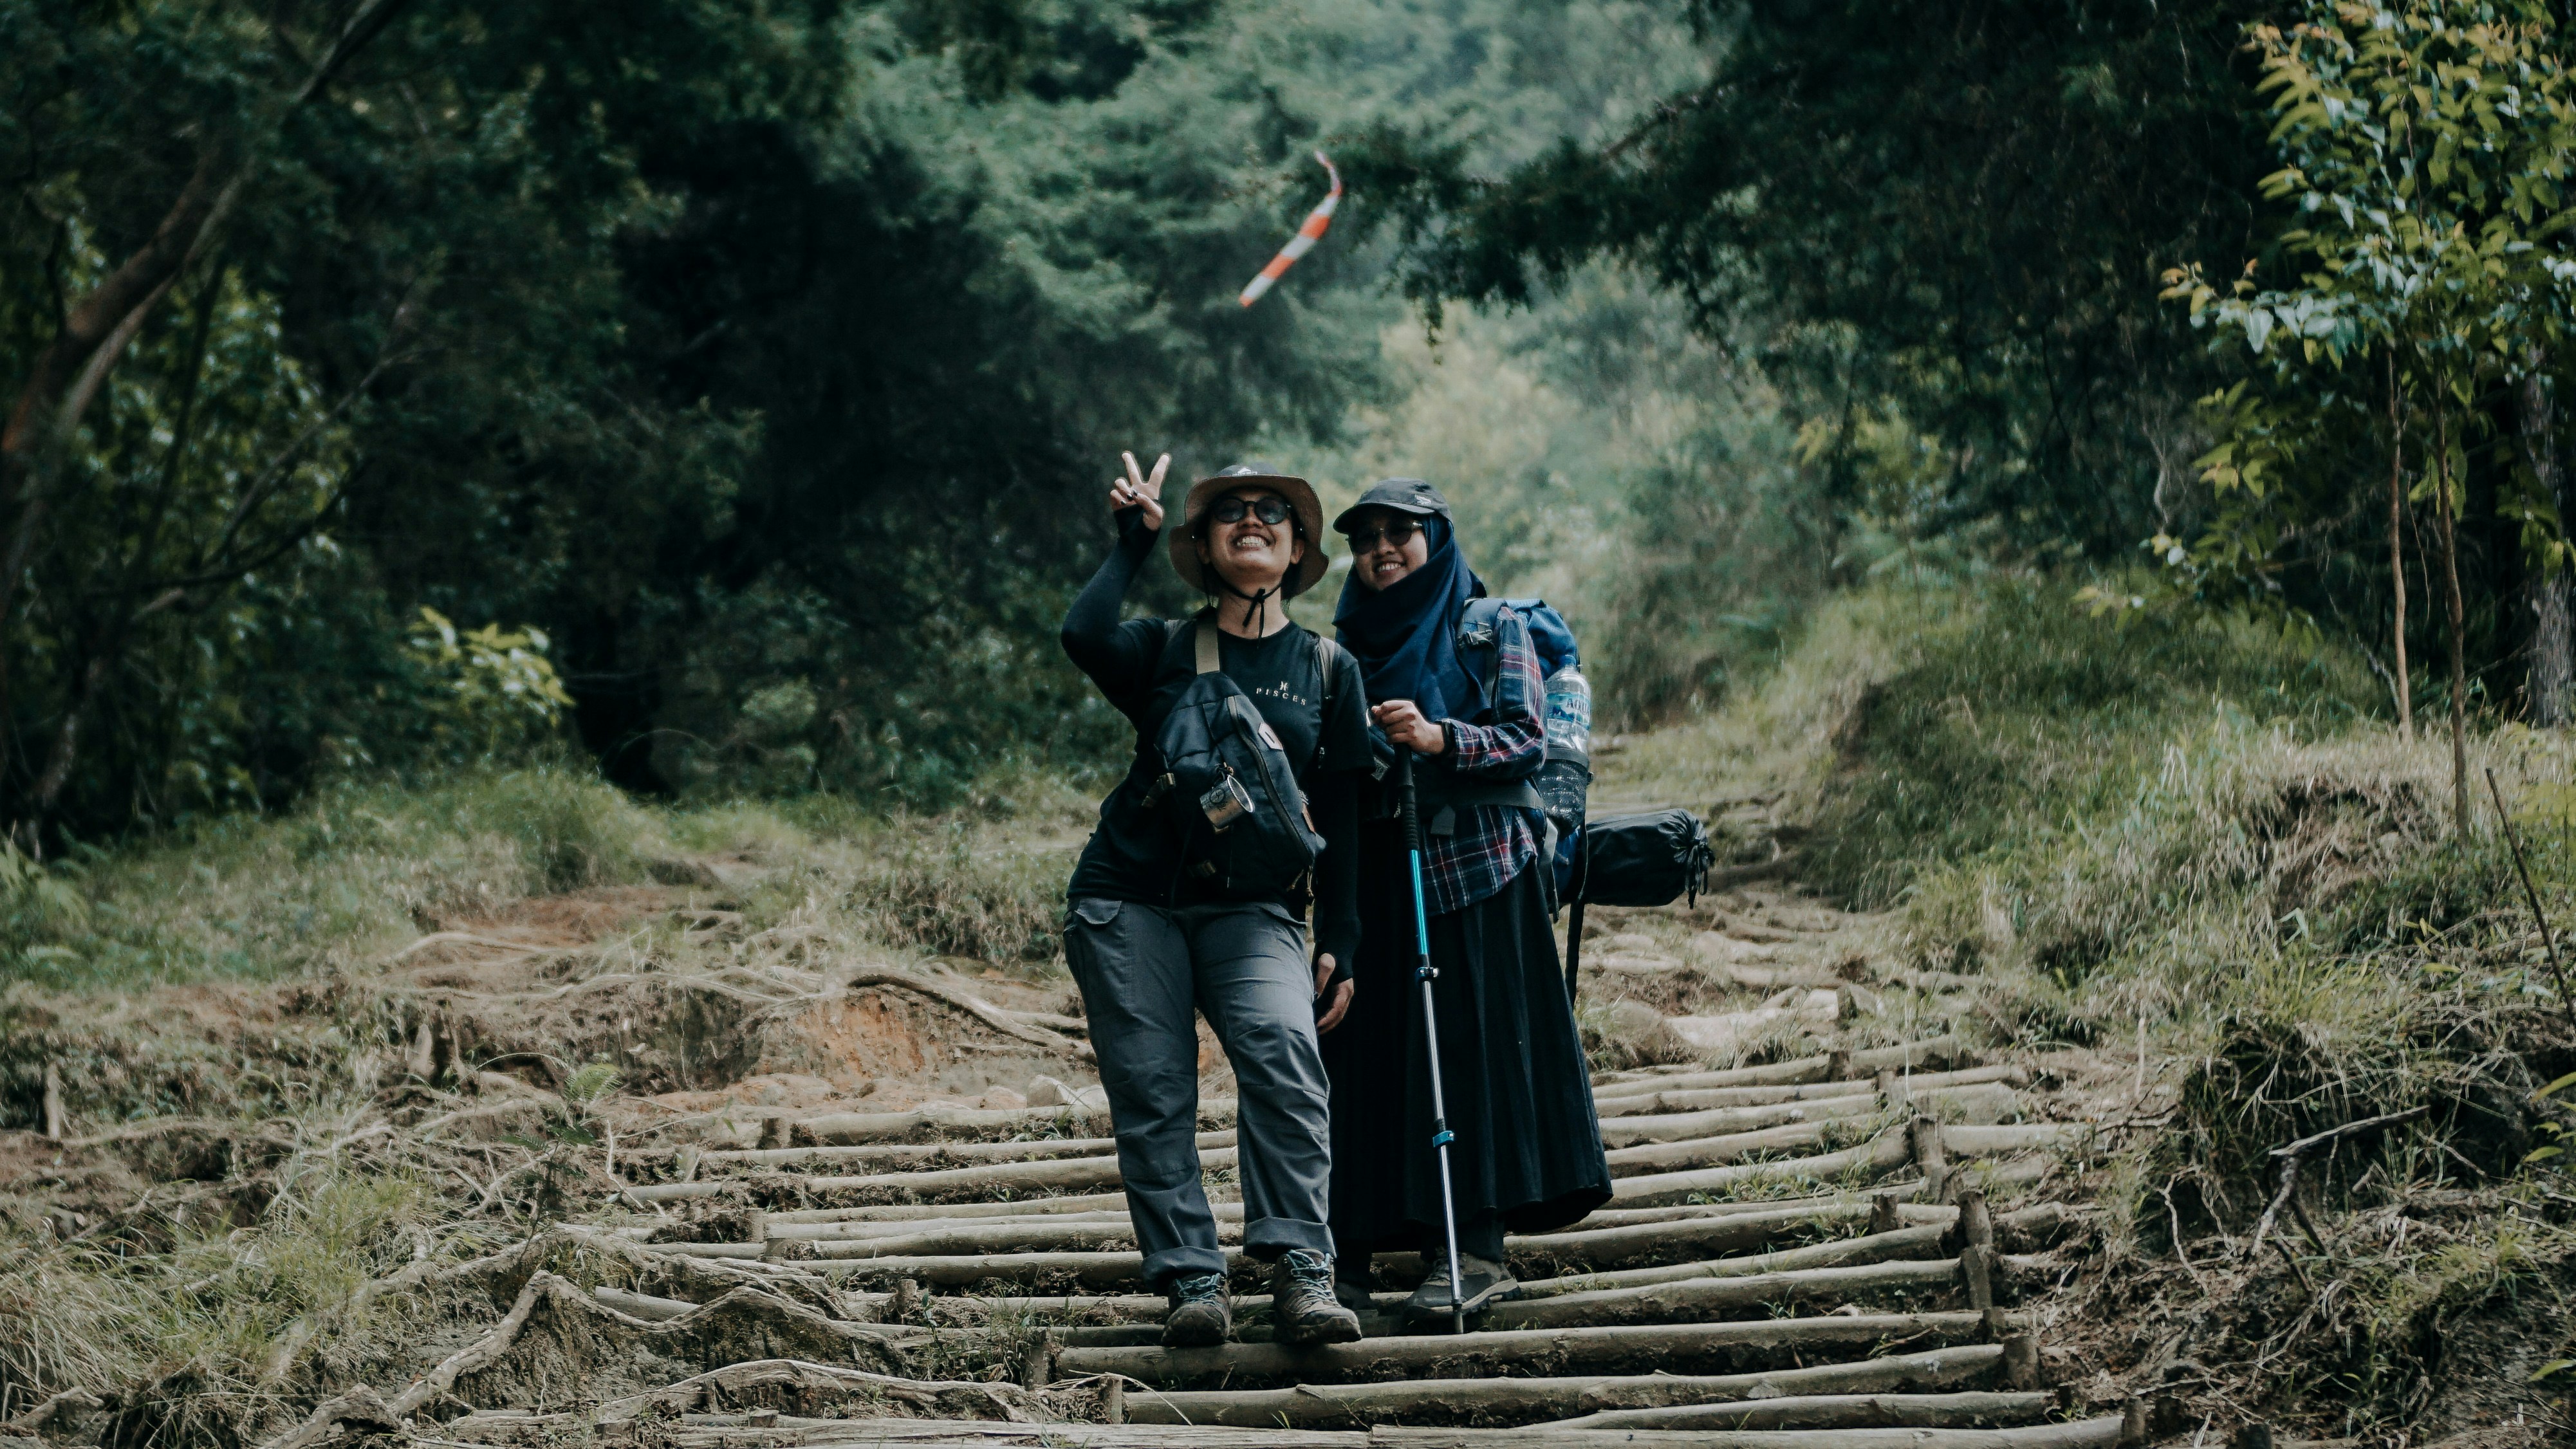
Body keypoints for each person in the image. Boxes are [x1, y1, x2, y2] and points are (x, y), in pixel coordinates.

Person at [1057, 451, 1371, 1349]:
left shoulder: (1327, 668)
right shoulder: (1163, 647)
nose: (1252, 520)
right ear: (1204, 544)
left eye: (1273, 510)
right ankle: (1192, 1278)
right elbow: (1083, 634)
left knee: (1284, 1051)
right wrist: (1132, 543)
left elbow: (1342, 814)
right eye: (1231, 511)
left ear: (1299, 546)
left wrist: (1342, 935)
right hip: (1129, 899)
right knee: (1153, 1089)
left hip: (1255, 907)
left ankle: (1302, 1268)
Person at [1320, 477, 1612, 1319]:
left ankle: (1475, 1252)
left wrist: (1438, 736)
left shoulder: (1490, 627)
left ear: (1437, 538)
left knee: (1471, 1058)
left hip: (1480, 877)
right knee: (1372, 1060)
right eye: (1366, 538)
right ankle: (1351, 1250)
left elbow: (1526, 740)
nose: (1382, 550)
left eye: (1400, 532)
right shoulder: (1342, 650)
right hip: (1380, 879)